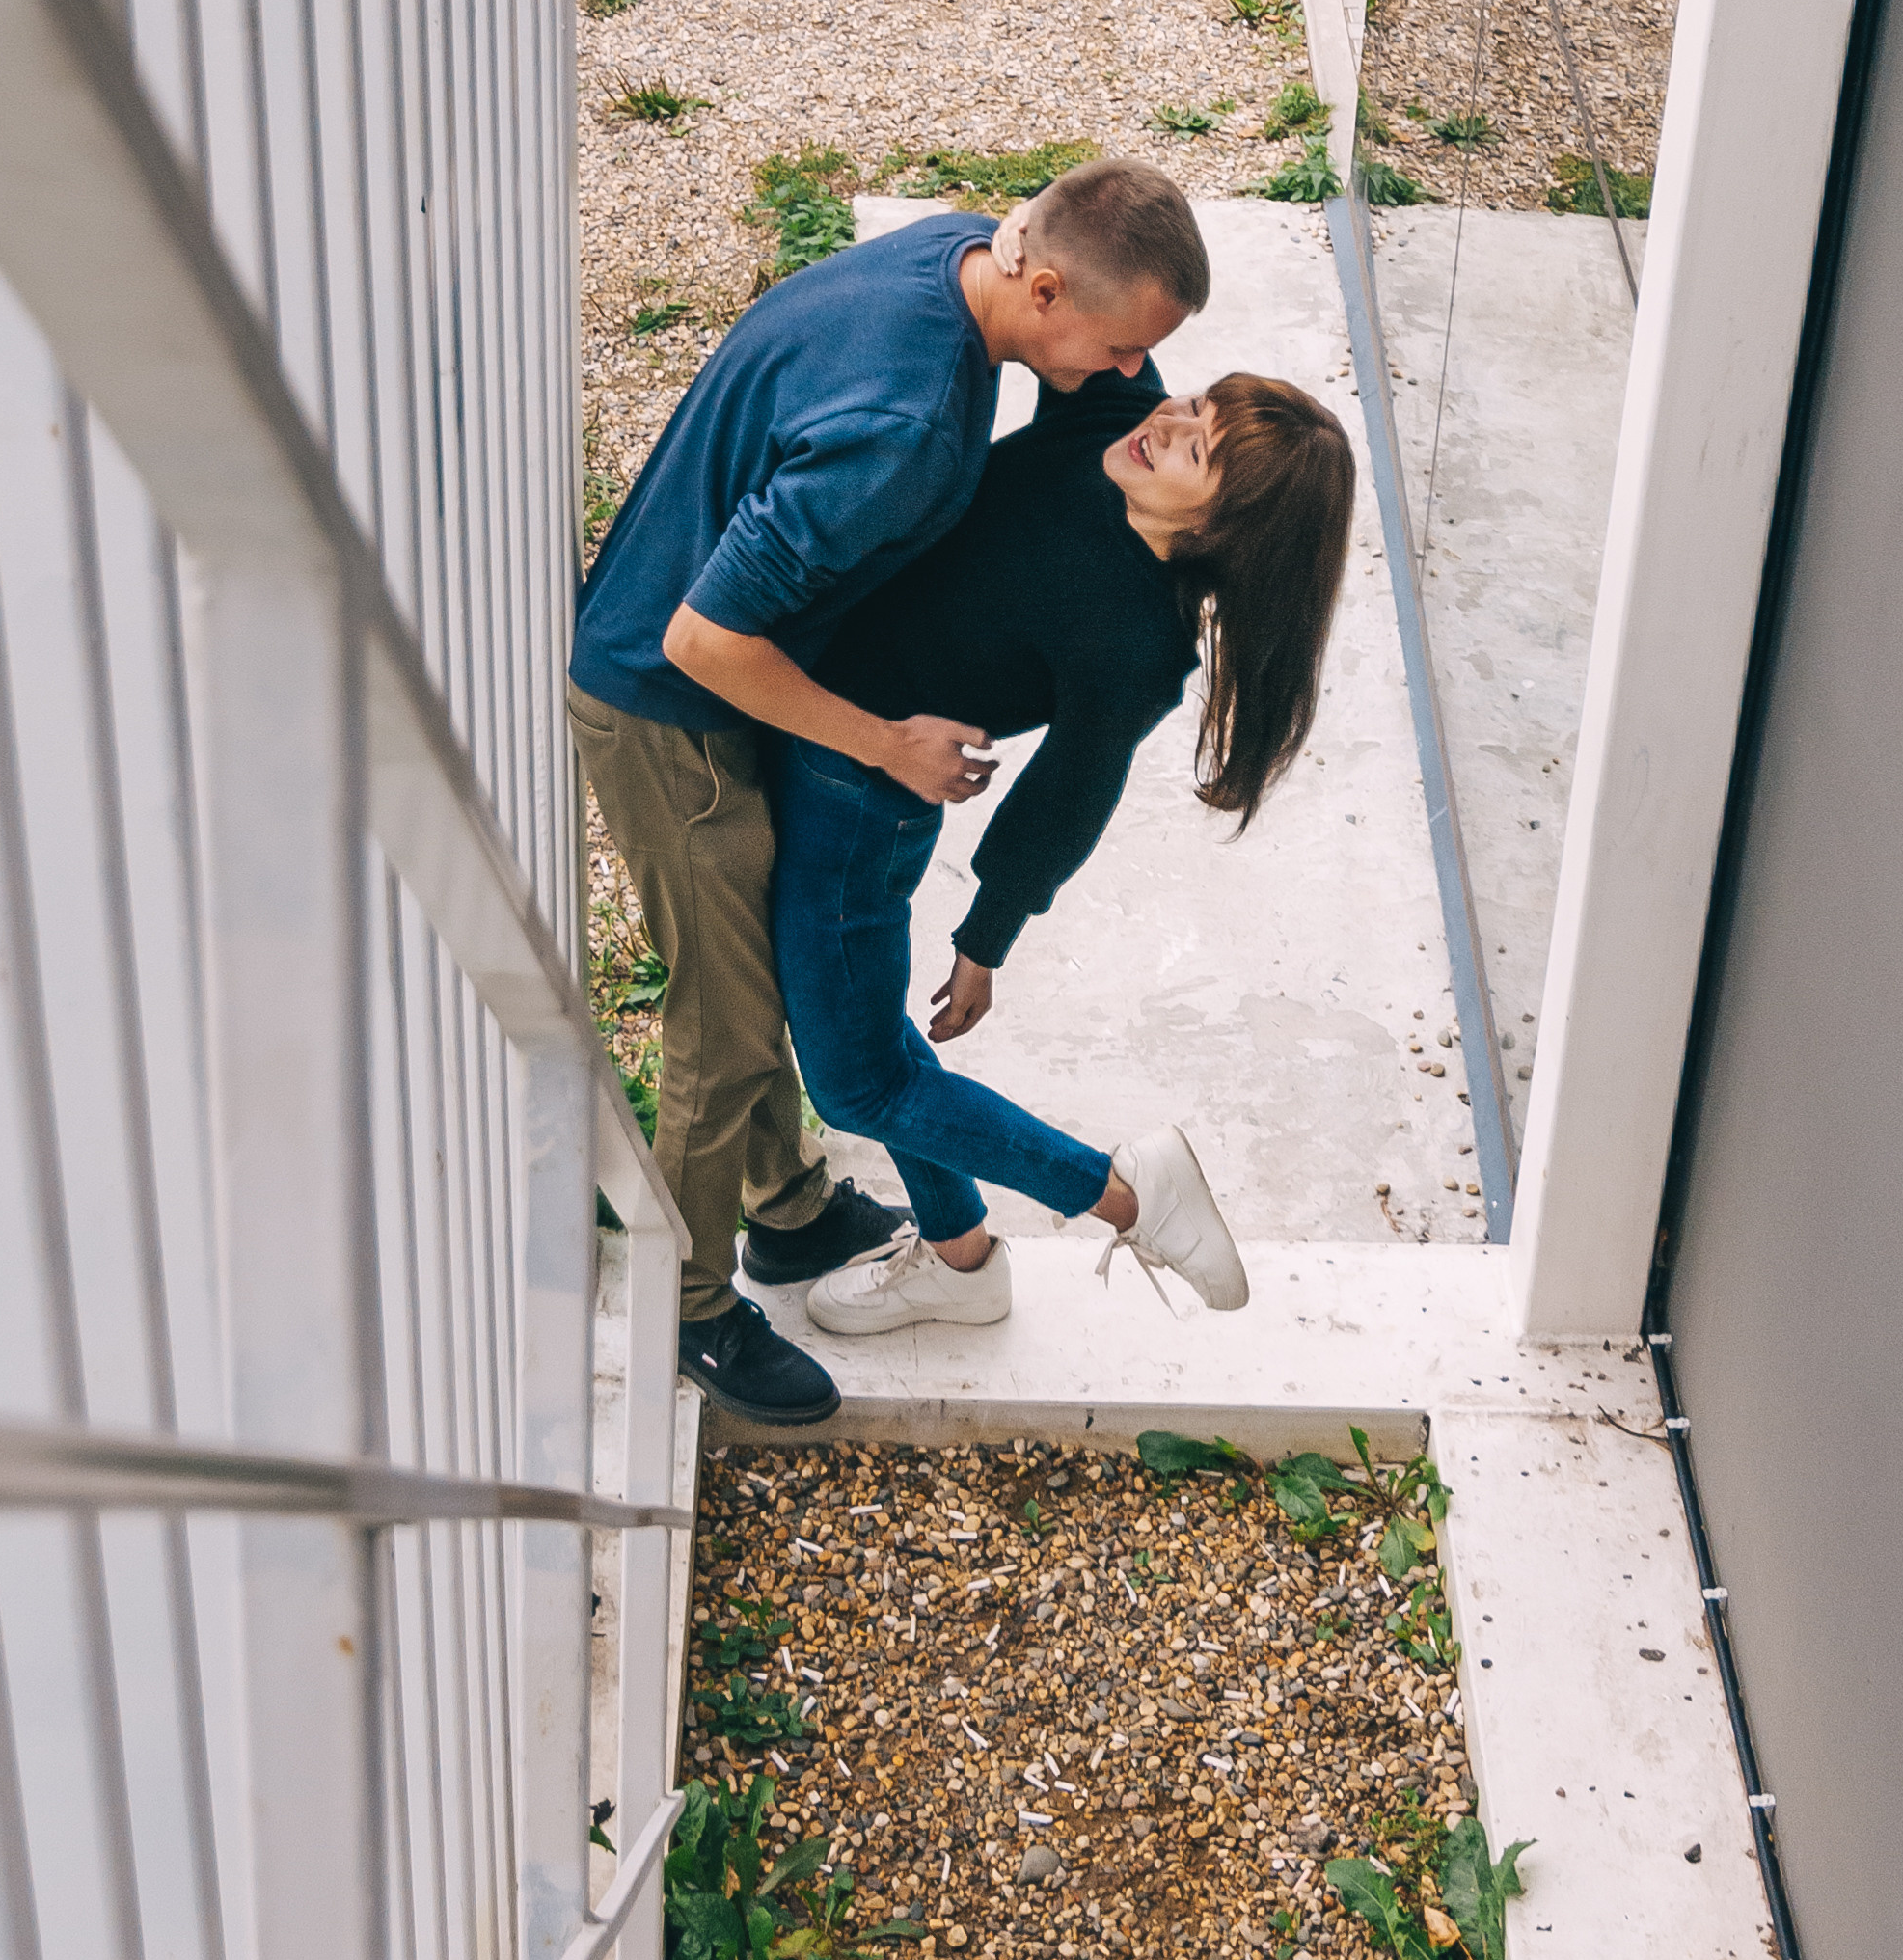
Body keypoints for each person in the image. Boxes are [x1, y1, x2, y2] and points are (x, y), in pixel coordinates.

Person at [568, 160, 1212, 1423]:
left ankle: (791, 1209)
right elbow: (705, 640)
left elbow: (1106, 354)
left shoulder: (958, 255)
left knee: (764, 990)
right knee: (728, 1028)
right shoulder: (911, 424)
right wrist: (885, 743)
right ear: (1042, 285)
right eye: (1121, 344)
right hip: (671, 706)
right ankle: (692, 1307)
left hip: (710, 682)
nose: (1129, 373)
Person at [767, 364, 1355, 1337]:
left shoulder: (1135, 642)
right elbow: (1091, 315)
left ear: (1219, 530)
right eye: (1195, 402)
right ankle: (959, 1262)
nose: (1168, 421)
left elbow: (1065, 796)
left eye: (1196, 447)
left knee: (857, 1081)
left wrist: (985, 938)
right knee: (867, 1033)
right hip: (813, 730)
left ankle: (1126, 1195)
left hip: (861, 803)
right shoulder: (1113, 420)